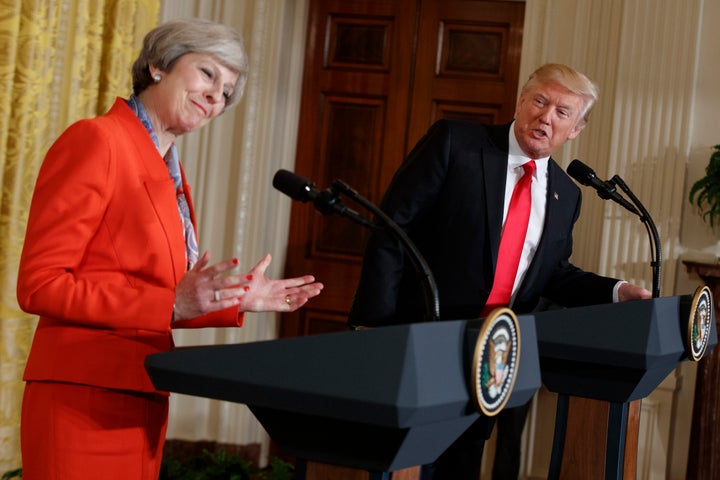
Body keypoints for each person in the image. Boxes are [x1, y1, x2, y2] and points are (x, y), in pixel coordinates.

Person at [16, 18, 323, 480]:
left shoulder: (169, 172)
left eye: (226, 92)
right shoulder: (98, 140)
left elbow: (160, 295)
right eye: (207, 74)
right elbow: (39, 286)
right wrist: (172, 301)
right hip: (82, 398)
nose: (215, 96)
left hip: (142, 397)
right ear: (159, 65)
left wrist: (239, 298)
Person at [347, 63, 651, 480]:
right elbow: (391, 229)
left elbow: (553, 275)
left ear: (576, 129)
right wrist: (373, 326)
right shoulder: (457, 143)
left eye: (563, 112)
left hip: (491, 356)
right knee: (400, 465)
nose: (546, 117)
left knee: (461, 465)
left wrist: (616, 291)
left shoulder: (567, 195)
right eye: (540, 102)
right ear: (521, 101)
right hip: (420, 336)